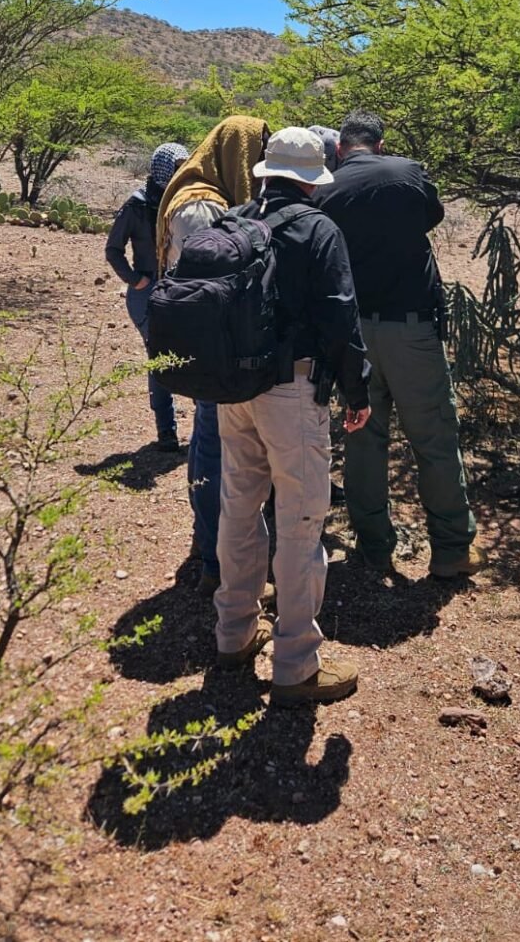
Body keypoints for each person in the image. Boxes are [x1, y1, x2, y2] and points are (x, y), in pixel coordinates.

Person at [214, 126, 370, 704]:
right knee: (301, 526)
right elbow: (340, 318)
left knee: (239, 507)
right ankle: (296, 665)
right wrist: (358, 392)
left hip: (235, 391)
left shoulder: (234, 220)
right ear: (313, 177)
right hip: (294, 392)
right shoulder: (317, 228)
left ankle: (232, 635)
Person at [313, 110, 482, 580]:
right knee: (434, 438)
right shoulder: (409, 173)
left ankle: (374, 546)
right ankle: (451, 548)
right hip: (412, 330)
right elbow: (431, 216)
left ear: (341, 149)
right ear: (381, 145)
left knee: (364, 438)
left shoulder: (323, 189)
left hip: (354, 335)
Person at [155, 115, 270, 595]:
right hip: (213, 342)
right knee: (213, 445)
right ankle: (215, 553)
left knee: (213, 442)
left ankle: (213, 546)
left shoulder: (200, 192)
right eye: (256, 149)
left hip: (205, 339)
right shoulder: (203, 205)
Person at [105, 142, 189, 451]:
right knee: (159, 358)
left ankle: (204, 423)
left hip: (179, 289)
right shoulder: (137, 204)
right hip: (148, 291)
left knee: (188, 353)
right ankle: (166, 430)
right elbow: (113, 250)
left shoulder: (182, 202)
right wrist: (135, 279)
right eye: (177, 165)